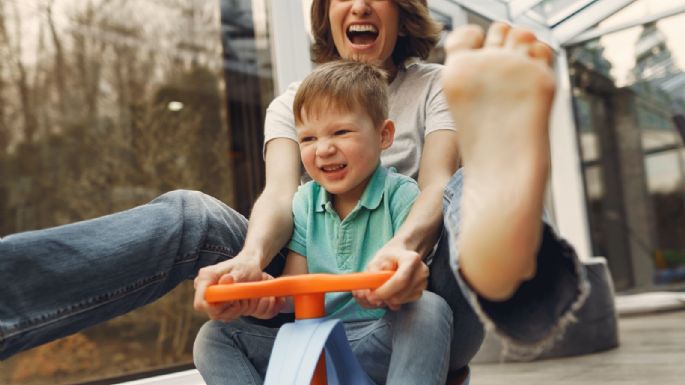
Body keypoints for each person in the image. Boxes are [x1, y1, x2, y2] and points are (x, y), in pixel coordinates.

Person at [1, 0, 587, 371]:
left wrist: (403, 251)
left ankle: (504, 262)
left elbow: (432, 183)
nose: (359, 4)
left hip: (422, 289)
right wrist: (253, 264)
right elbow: (280, 197)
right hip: (316, 302)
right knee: (191, 214)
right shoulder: (290, 104)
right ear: (327, 10)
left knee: (465, 183)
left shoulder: (443, 83)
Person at [193, 60, 453, 385]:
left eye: (341, 132)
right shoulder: (304, 202)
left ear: (384, 135)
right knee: (214, 337)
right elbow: (294, 288)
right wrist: (266, 302)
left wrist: (390, 288)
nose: (324, 149)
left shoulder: (401, 195)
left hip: (380, 339)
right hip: (316, 342)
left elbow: (412, 281)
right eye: (308, 139)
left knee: (430, 309)